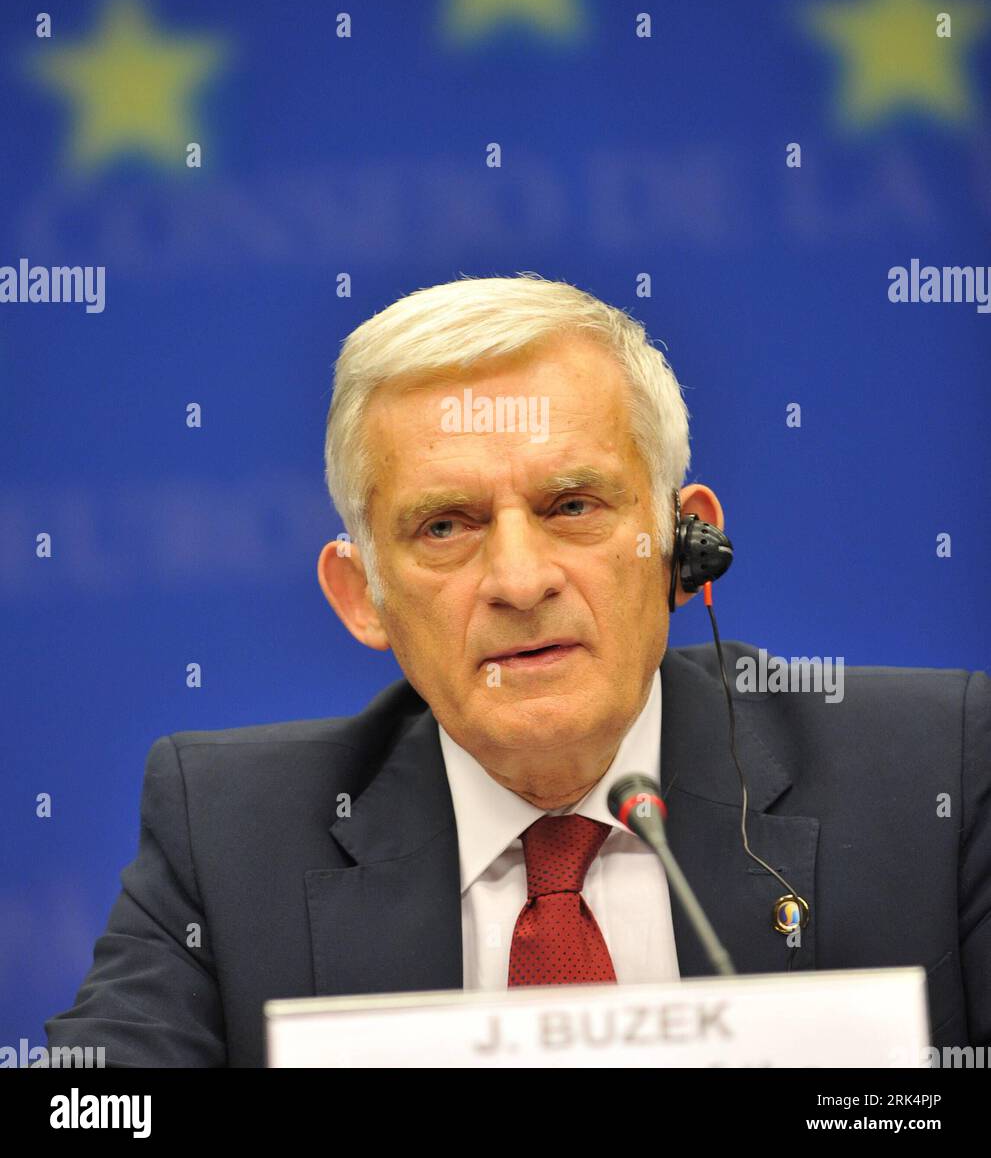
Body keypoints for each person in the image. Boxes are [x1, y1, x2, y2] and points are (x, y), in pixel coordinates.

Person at [44, 275, 990, 1067]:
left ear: (681, 546)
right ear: (362, 594)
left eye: (572, 506)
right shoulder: (229, 835)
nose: (519, 579)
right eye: (444, 526)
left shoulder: (932, 778)